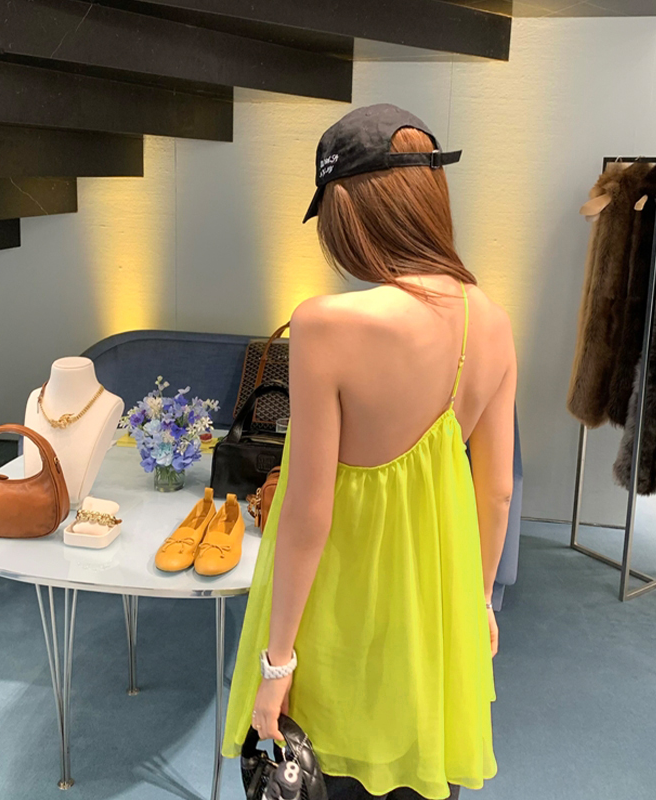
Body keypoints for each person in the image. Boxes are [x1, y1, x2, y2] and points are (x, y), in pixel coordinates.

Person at [221, 103, 516, 800]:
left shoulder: (327, 324)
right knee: (416, 776)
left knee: (324, 773)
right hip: (434, 610)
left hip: (337, 610)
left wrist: (277, 663)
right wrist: (477, 603)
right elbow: (497, 490)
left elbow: (307, 514)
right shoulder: (491, 321)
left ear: (347, 211)